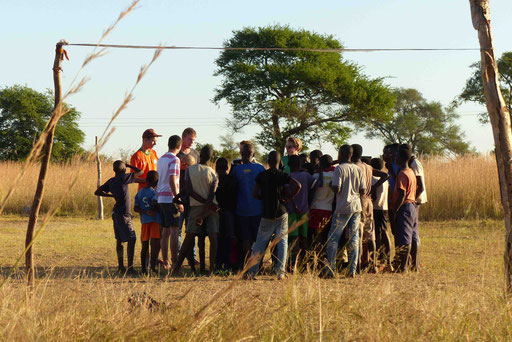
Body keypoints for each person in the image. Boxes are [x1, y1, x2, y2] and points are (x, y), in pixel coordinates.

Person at [246, 151, 301, 280]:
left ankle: (252, 272)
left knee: (260, 243)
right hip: (281, 212)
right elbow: (298, 185)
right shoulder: (283, 175)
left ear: (268, 162)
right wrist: (288, 197)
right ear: (279, 163)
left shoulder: (262, 175)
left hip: (267, 213)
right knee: (282, 242)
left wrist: (263, 197)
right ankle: (280, 273)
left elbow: (254, 194)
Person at [173, 145, 220, 274]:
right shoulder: (212, 172)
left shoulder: (190, 170)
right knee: (213, 236)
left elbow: (189, 191)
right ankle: (211, 269)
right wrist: (208, 205)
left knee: (189, 237)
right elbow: (212, 194)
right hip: (211, 208)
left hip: (195, 207)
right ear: (211, 157)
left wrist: (177, 197)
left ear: (200, 155)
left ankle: (177, 267)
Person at [95, 160, 144, 274]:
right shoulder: (124, 178)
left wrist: (111, 195)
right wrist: (128, 165)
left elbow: (97, 192)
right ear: (123, 170)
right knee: (132, 239)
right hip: (124, 214)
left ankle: (121, 266)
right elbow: (140, 172)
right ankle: (130, 268)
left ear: (113, 170)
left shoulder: (111, 181)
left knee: (120, 240)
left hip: (116, 213)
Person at [325, 145, 365, 278]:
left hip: (343, 207)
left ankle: (330, 269)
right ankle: (351, 270)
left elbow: (337, 188)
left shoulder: (339, 169)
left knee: (333, 238)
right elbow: (363, 190)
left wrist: (331, 185)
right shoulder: (358, 169)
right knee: (354, 238)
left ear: (341, 154)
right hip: (356, 206)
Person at [351, 144, 388, 272]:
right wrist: (373, 187)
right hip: (369, 202)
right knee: (370, 234)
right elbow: (385, 175)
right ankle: (373, 264)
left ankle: (358, 265)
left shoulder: (354, 167)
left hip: (358, 200)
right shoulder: (368, 167)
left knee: (359, 233)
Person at [231, 142, 266, 268]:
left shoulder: (236, 170)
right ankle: (258, 265)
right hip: (258, 210)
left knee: (246, 239)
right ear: (254, 154)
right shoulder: (260, 168)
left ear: (241, 154)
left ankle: (247, 265)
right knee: (259, 240)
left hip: (242, 210)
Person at [156, 135, 184, 270]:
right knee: (174, 231)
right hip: (170, 198)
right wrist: (177, 199)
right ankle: (175, 262)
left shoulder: (161, 159)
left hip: (160, 197)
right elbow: (173, 179)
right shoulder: (175, 159)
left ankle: (166, 261)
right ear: (179, 146)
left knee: (165, 231)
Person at [399, 143, 427, 271]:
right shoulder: (411, 164)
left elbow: (420, 186)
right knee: (413, 232)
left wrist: (411, 201)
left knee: (411, 233)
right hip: (412, 200)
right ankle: (413, 264)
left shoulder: (414, 164)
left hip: (414, 200)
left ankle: (413, 263)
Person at [287, 155, 316, 271]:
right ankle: (305, 265)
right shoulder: (307, 176)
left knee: (294, 239)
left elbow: (288, 193)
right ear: (300, 165)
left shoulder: (288, 177)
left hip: (291, 211)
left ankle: (293, 265)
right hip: (305, 211)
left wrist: (294, 205)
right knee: (304, 239)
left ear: (288, 165)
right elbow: (315, 186)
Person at [390, 148, 418, 272]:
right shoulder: (411, 172)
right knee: (412, 235)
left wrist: (395, 209)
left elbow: (401, 193)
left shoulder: (402, 174)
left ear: (401, 158)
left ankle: (403, 267)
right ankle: (411, 265)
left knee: (404, 238)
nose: (394, 159)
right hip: (412, 206)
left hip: (404, 206)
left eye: (396, 156)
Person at [176, 128, 199, 260]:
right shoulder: (176, 153)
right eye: (189, 139)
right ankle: (179, 255)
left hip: (192, 194)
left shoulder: (195, 153)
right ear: (183, 137)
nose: (191, 142)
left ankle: (192, 256)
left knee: (191, 228)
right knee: (178, 228)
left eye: (193, 140)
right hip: (180, 194)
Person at [134, 170, 161, 274]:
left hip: (145, 221)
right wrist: (154, 209)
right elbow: (155, 203)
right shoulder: (154, 192)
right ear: (156, 182)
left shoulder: (140, 193)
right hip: (155, 221)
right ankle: (153, 268)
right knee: (154, 245)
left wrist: (145, 211)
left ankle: (143, 269)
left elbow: (135, 208)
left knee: (144, 245)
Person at [308, 154, 335, 257]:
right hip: (328, 209)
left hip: (316, 208)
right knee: (324, 235)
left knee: (315, 235)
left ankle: (317, 257)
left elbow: (311, 191)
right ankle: (324, 257)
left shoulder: (315, 176)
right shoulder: (334, 175)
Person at [215, 157, 238, 272]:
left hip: (218, 212)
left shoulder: (215, 181)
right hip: (231, 212)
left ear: (216, 168)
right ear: (227, 168)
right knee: (230, 239)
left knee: (220, 239)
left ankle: (219, 265)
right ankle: (229, 265)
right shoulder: (233, 179)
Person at [370, 157, 392, 268]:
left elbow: (373, 196)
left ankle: (378, 257)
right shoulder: (384, 180)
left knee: (378, 234)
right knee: (382, 232)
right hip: (384, 207)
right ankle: (384, 258)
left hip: (376, 208)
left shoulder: (373, 179)